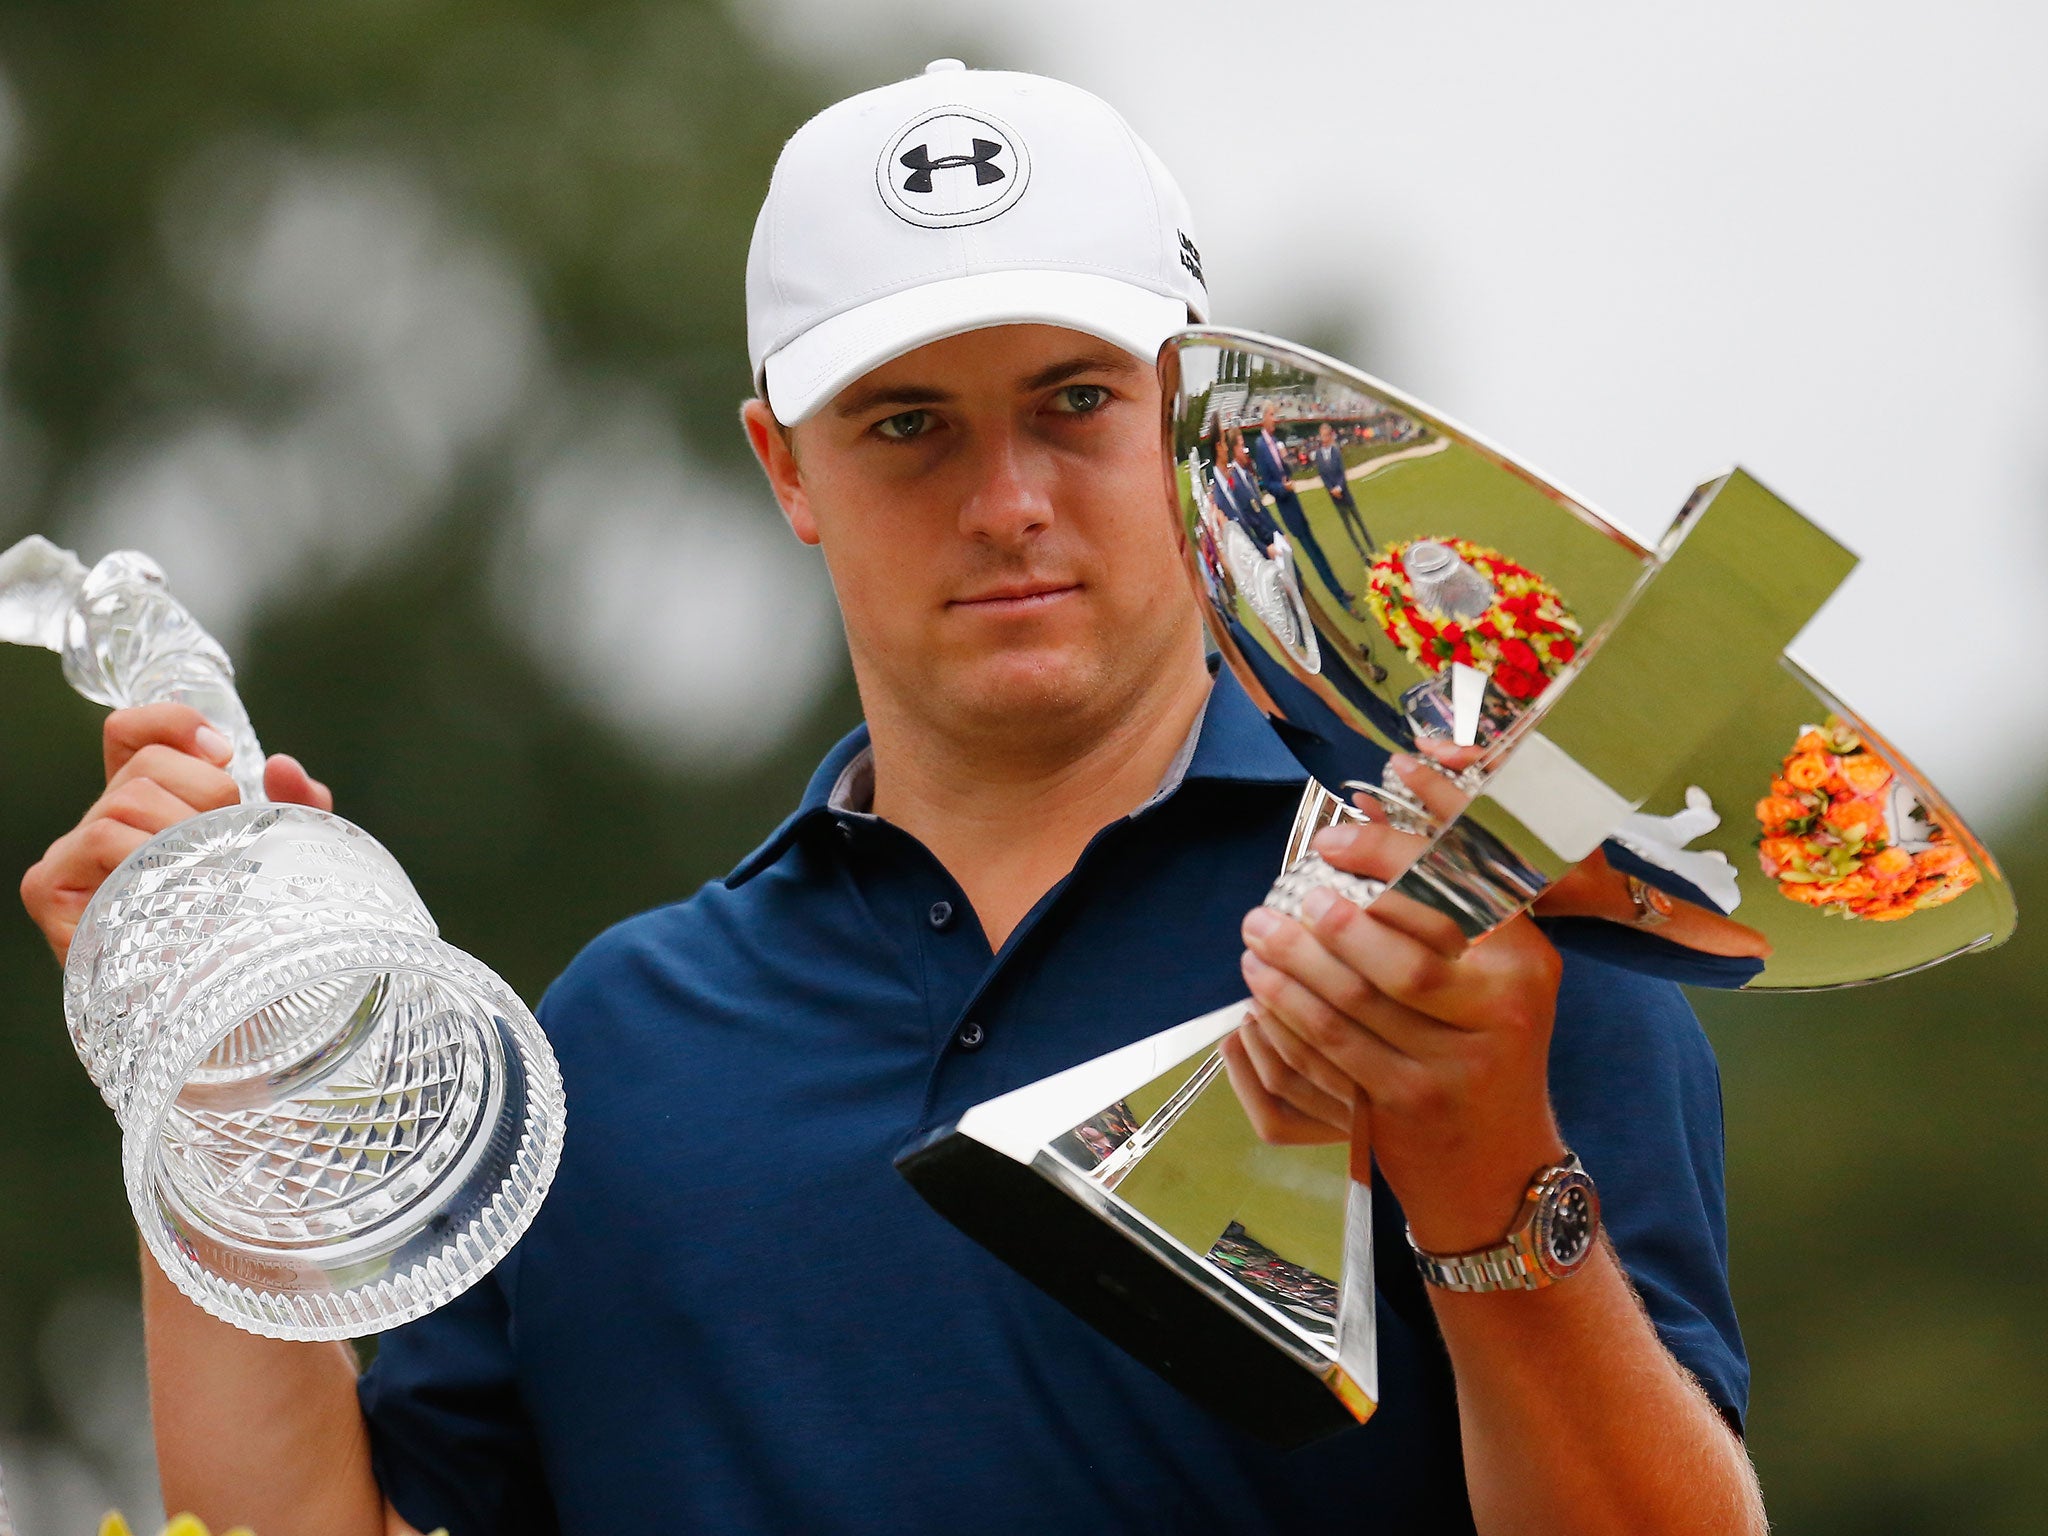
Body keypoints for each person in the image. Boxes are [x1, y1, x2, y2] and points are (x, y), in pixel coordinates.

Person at [20, 61, 1767, 1536]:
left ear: (1191, 418)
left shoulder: (1463, 951)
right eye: (907, 425)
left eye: (1073, 404)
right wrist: (209, 1060)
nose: (1004, 499)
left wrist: (1480, 1160)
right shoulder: (624, 1040)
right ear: (783, 465)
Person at [1313, 419, 1377, 557]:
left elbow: (1342, 473)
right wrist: (1331, 489)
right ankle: (1362, 553)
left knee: (1359, 522)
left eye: (1325, 435)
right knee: (1348, 527)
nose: (1323, 438)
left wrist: (1339, 488)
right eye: (1321, 435)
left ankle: (1372, 549)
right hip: (1335, 497)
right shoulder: (1318, 455)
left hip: (1344, 493)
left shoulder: (1335, 451)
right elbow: (1323, 475)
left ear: (1330, 436)